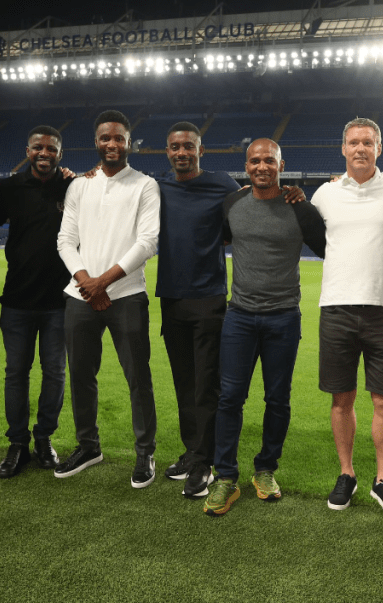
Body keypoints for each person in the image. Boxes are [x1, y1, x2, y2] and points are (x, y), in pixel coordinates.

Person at [202, 139, 326, 516]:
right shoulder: (233, 204)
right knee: (229, 398)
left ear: (281, 164)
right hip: (239, 315)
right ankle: (225, 476)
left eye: (268, 161)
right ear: (246, 165)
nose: (261, 167)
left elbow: (332, 249)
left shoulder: (300, 209)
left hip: (283, 317)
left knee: (277, 399)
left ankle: (265, 469)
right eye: (255, 161)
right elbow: (219, 237)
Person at [311, 117, 383, 519]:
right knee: (341, 398)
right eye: (353, 142)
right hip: (336, 306)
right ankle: (347, 473)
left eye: (368, 142)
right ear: (343, 148)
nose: (360, 148)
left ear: (379, 148)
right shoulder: (325, 193)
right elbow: (308, 230)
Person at [55, 110, 161, 489]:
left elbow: (147, 242)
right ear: (96, 142)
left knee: (138, 377)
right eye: (105, 138)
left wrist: (104, 283)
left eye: (119, 138)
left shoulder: (145, 185)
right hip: (79, 296)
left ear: (129, 142)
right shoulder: (79, 187)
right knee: (81, 376)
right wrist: (87, 282)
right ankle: (89, 446)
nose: (112, 144)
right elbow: (65, 240)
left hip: (128, 296)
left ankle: (145, 452)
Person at [156, 122, 241, 498]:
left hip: (209, 299)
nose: (182, 153)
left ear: (200, 150)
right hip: (171, 298)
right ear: (168, 151)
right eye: (175, 147)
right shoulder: (157, 188)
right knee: (184, 384)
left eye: (188, 146)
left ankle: (206, 463)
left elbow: (247, 218)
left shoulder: (222, 184)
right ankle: (193, 452)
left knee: (207, 385)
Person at [0, 125, 72, 479]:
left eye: (51, 149)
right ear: (28, 151)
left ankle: (43, 439)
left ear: (59, 153)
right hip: (18, 301)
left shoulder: (72, 188)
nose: (44, 153)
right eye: (38, 147)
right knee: (16, 374)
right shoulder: (7, 189)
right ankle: (17, 443)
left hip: (60, 303)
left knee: (55, 373)